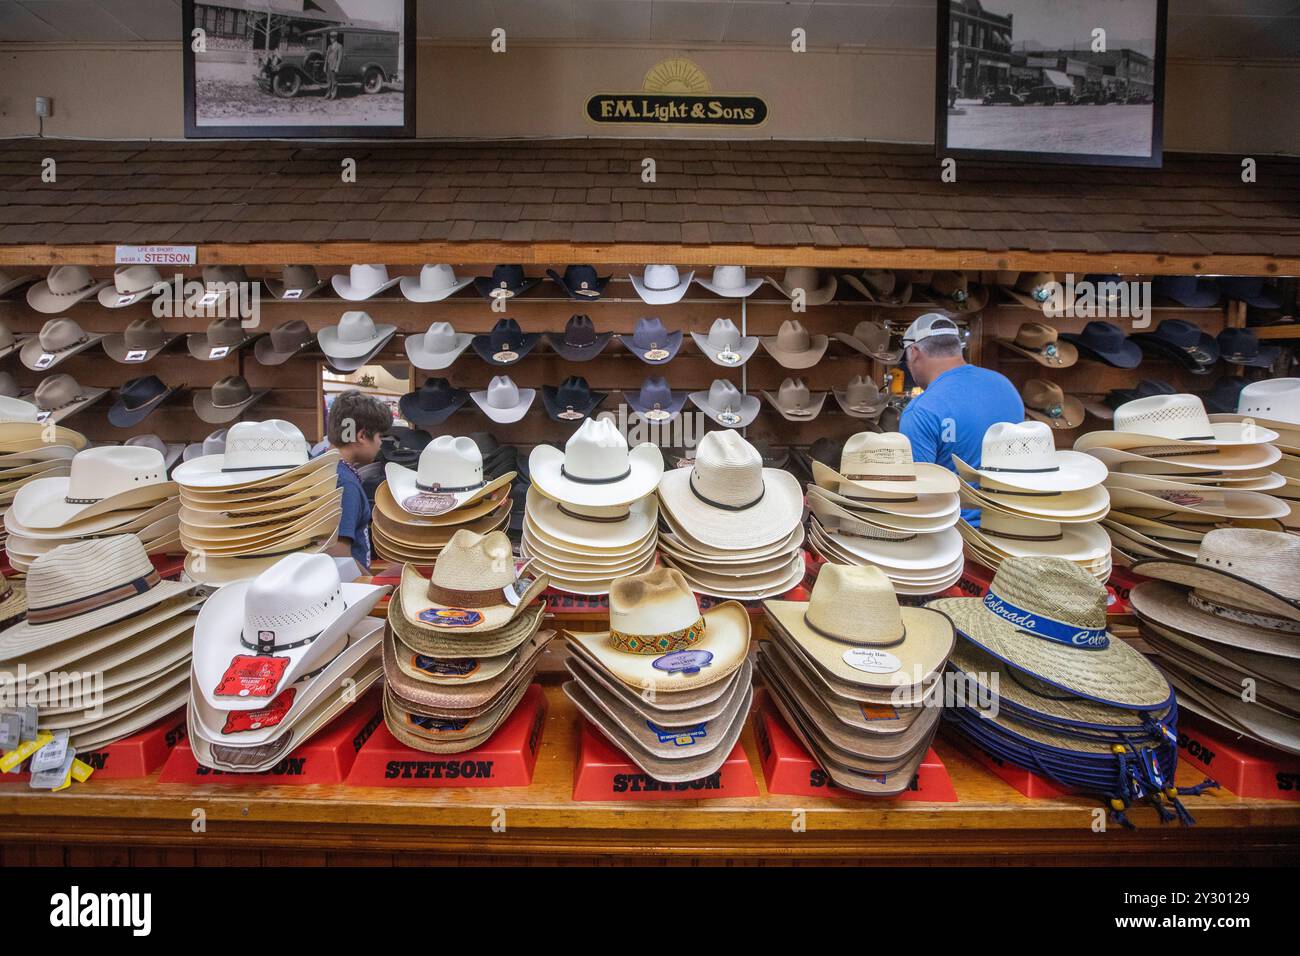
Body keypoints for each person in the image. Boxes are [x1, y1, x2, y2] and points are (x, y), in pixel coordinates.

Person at [898, 313, 1023, 524]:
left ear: (915, 352)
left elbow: (918, 499)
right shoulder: (1005, 387)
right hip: (1012, 528)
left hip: (957, 538)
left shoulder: (921, 410)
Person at [324, 389, 392, 571]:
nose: (380, 443)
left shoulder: (323, 469)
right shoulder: (346, 484)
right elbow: (338, 554)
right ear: (361, 436)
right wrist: (370, 583)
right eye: (380, 436)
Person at [324, 31, 343, 100]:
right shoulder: (329, 46)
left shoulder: (339, 46)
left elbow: (339, 58)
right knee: (328, 81)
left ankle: (333, 95)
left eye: (332, 37)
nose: (330, 39)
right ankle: (328, 94)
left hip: (334, 66)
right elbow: (327, 57)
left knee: (334, 81)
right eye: (330, 37)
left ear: (335, 38)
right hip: (329, 65)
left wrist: (337, 67)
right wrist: (325, 66)